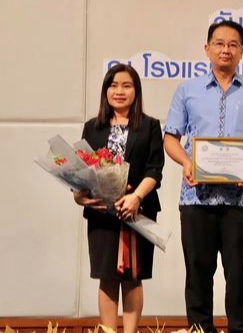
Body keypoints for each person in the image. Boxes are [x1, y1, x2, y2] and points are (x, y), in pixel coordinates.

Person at [163, 20, 243, 333]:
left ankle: (241, 329)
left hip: (240, 199)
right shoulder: (188, 90)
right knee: (197, 270)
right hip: (195, 197)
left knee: (239, 273)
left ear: (242, 51)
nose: (225, 49)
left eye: (233, 44)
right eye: (219, 43)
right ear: (207, 48)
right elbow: (171, 137)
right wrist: (187, 163)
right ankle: (200, 329)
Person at [73, 63, 165, 333]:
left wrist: (136, 196)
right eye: (113, 85)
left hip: (137, 209)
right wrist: (80, 197)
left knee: (133, 277)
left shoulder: (149, 126)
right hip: (101, 212)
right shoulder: (93, 127)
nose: (119, 91)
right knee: (107, 276)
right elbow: (80, 170)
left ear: (136, 91)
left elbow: (155, 169)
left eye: (126, 85)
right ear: (105, 91)